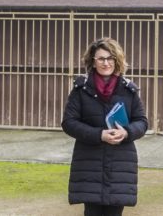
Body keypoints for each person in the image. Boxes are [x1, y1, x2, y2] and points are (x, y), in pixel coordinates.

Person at [62, 37, 148, 216]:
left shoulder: (128, 90)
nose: (106, 63)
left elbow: (142, 122)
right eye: (101, 58)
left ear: (117, 61)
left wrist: (127, 132)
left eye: (110, 58)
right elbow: (69, 123)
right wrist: (99, 135)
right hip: (89, 162)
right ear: (92, 61)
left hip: (120, 163)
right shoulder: (81, 89)